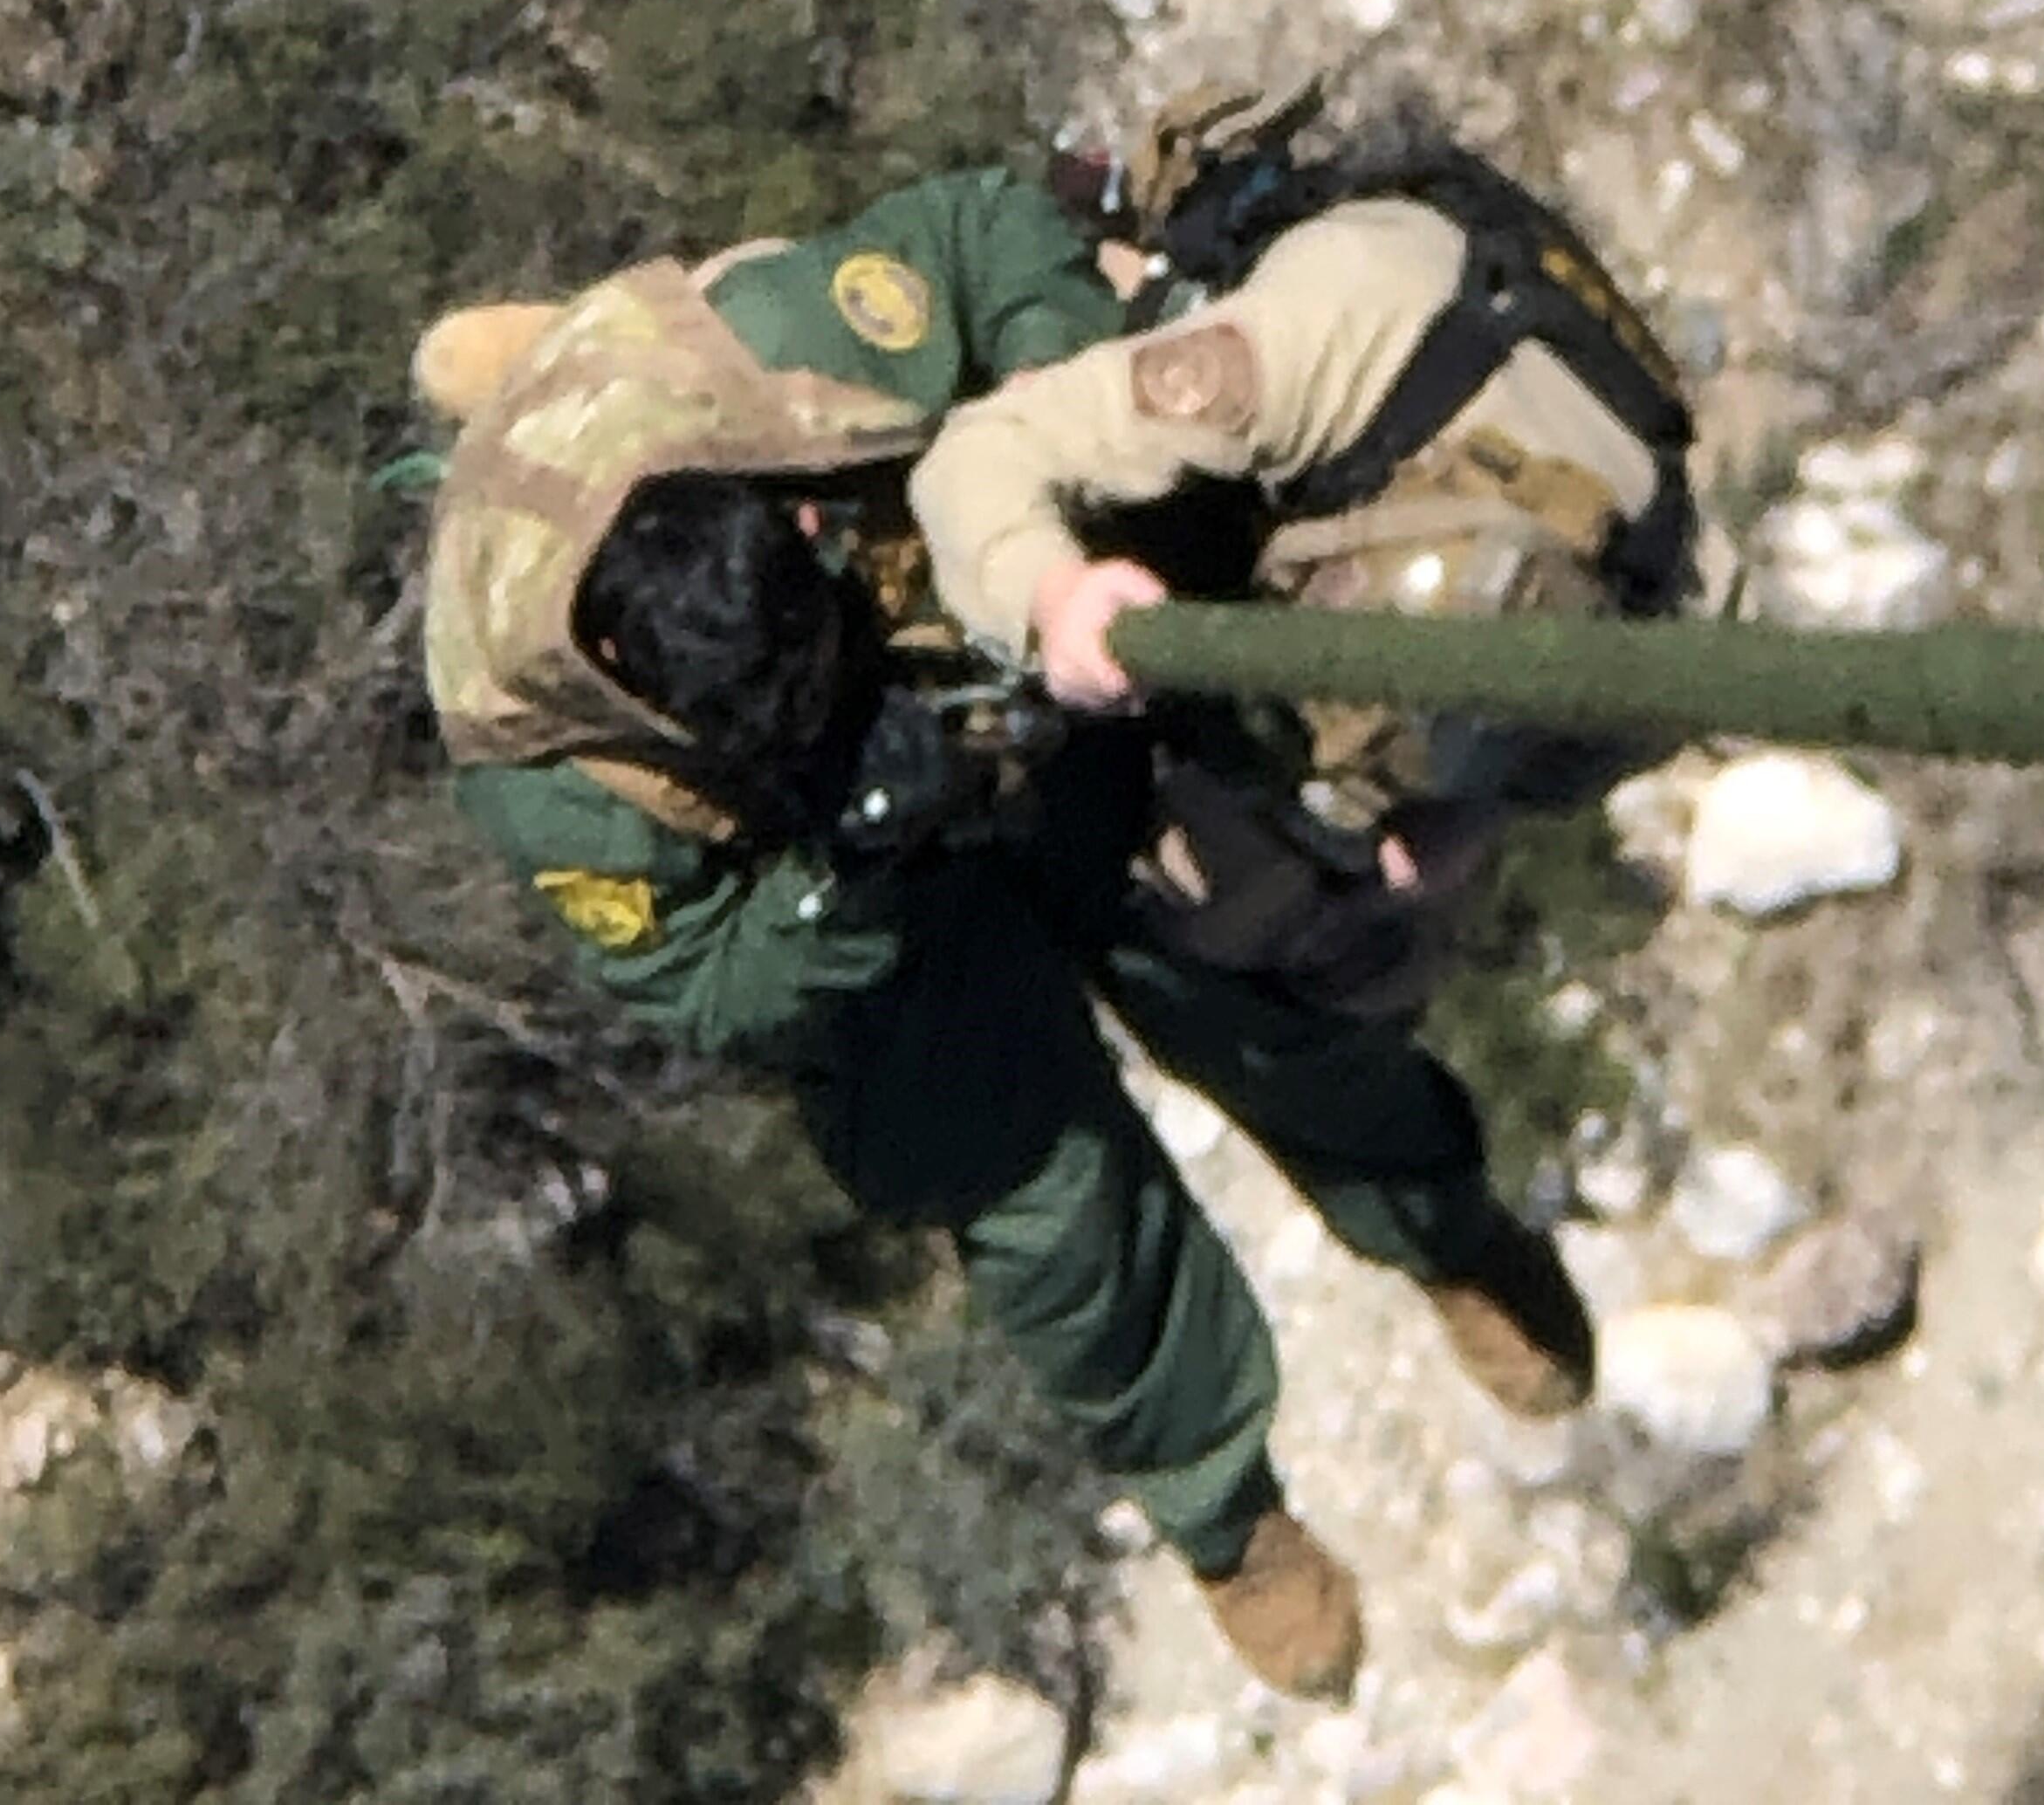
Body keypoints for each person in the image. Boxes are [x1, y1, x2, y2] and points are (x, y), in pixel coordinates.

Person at [415, 163, 1595, 1706]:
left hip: (1007, 680)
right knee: (1044, 1207)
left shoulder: (780, 354)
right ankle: (1222, 1514)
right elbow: (701, 980)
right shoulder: (552, 779)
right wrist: (845, 857)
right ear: (641, 686)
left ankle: (1442, 1227)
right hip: (847, 906)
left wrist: (1062, 468)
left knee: (1256, 959)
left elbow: (983, 234)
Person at [909, 93, 1700, 1013]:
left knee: (1271, 907)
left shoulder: (1647, 621)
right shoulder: (1308, 357)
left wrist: (1469, 812)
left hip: (1463, 421)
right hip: (1337, 340)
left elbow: (1596, 735)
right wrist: (1052, 600)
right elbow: (977, 456)